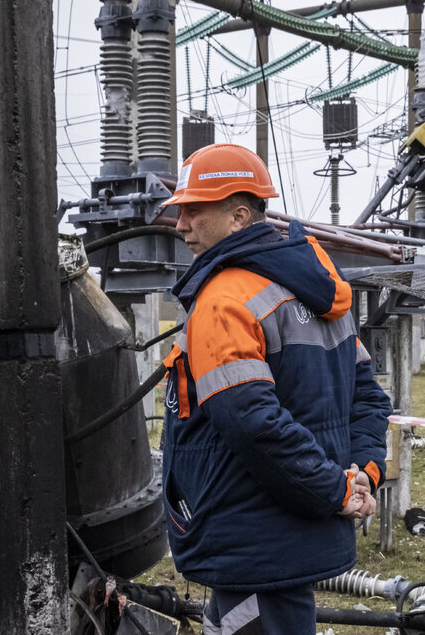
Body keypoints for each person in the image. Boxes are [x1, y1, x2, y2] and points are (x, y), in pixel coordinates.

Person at [158, 142, 393, 634]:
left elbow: (253, 424)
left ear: (239, 216)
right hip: (278, 536)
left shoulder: (226, 300)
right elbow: (367, 399)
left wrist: (335, 490)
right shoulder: (316, 292)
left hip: (253, 541)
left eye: (193, 211)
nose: (180, 226)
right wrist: (362, 475)